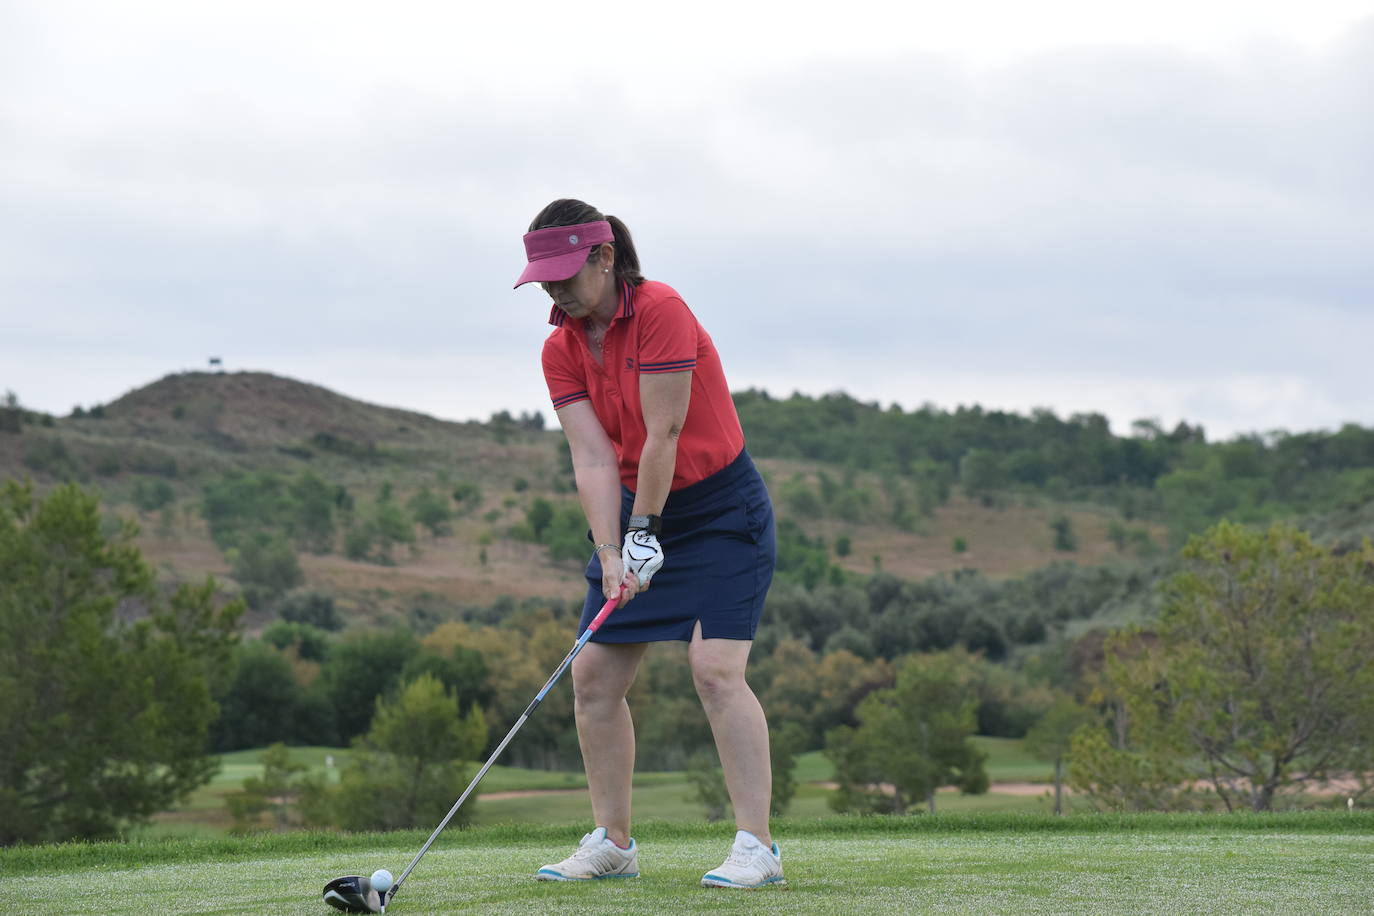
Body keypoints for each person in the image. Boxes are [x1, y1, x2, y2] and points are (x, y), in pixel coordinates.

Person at [512, 199, 783, 889]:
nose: (556, 291)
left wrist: (644, 535)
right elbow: (595, 460)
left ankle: (757, 847)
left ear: (604, 258)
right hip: (639, 510)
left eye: (565, 275)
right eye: (545, 281)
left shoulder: (661, 309)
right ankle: (614, 843)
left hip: (721, 511)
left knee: (715, 669)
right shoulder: (559, 348)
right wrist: (610, 552)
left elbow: (663, 434)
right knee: (594, 677)